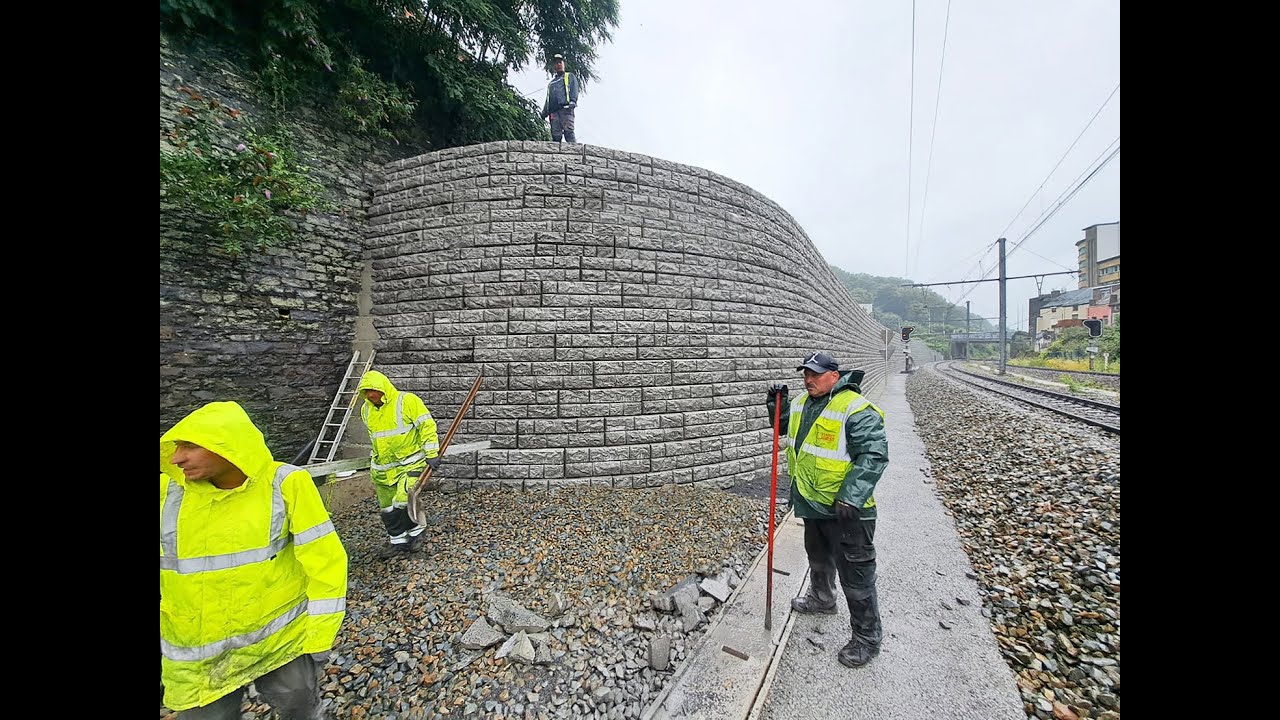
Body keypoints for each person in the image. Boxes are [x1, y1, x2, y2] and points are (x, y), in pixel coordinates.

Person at [160, 401, 348, 718]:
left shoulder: (284, 486)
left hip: (280, 642)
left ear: (230, 445)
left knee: (298, 706)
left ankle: (405, 538)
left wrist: (318, 638)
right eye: (177, 446)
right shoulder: (168, 494)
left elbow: (326, 562)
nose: (177, 458)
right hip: (199, 657)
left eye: (190, 446)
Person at [765, 351, 889, 668]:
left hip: (847, 510)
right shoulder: (802, 404)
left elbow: (873, 455)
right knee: (817, 557)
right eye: (806, 374)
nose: (809, 379)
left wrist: (853, 494)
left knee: (857, 576)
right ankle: (822, 598)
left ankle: (867, 638)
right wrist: (774, 405)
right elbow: (785, 430)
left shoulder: (855, 408)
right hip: (811, 502)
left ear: (835, 375)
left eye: (816, 374)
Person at [356, 370, 441, 558]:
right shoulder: (366, 409)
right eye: (367, 391)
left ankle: (417, 533)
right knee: (387, 508)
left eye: (374, 390)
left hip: (411, 463)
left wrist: (432, 453)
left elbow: (426, 426)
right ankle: (398, 541)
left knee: (403, 500)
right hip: (383, 469)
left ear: (384, 388)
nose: (371, 395)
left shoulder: (407, 401)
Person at [542, 52, 580, 143]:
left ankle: (575, 154)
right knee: (556, 136)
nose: (558, 64)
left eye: (560, 62)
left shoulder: (569, 76)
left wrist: (573, 101)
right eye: (556, 63)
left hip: (566, 109)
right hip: (554, 112)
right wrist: (544, 112)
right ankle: (556, 156)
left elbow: (574, 89)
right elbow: (548, 99)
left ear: (563, 64)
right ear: (554, 66)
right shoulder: (551, 83)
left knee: (569, 132)